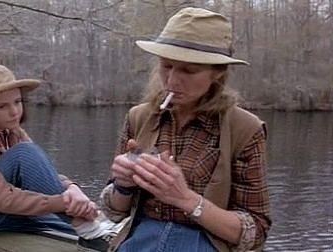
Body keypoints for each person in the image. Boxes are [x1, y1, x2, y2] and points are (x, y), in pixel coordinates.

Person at [97, 7, 272, 252]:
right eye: (167, 66)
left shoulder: (244, 129)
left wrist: (184, 198)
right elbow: (113, 211)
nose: (172, 80)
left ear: (217, 73)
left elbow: (256, 232)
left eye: (189, 70)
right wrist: (123, 184)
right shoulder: (140, 118)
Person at [0, 64, 118, 243]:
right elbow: (3, 199)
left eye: (17, 102)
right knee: (25, 154)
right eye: (2, 106)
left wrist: (72, 188)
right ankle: (89, 224)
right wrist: (65, 203)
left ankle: (107, 234)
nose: (14, 112)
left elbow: (41, 176)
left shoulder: (10, 130)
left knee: (56, 223)